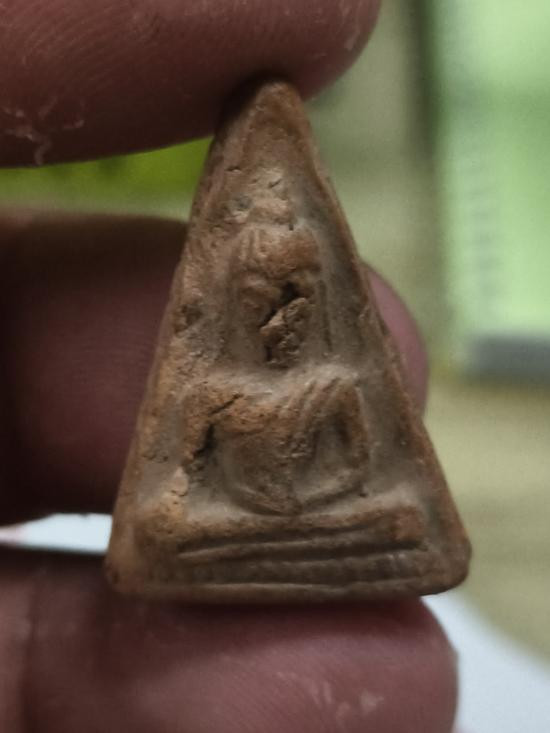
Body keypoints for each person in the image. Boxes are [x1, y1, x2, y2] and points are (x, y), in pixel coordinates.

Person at [0, 1, 459, 730]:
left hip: (312, 529)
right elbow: (172, 502)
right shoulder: (216, 390)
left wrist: (298, 510)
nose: (278, 314)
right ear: (233, 299)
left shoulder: (335, 383)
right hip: (234, 536)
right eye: (259, 297)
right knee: (162, 537)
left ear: (318, 298)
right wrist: (218, 520)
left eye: (295, 294)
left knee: (401, 516)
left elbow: (362, 481)